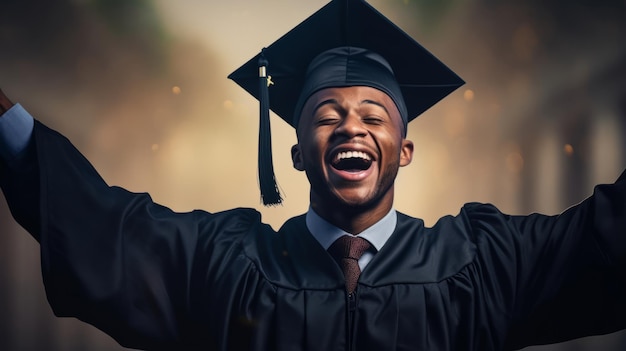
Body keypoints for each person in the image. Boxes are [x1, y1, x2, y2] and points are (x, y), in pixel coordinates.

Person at [1, 0, 625, 350]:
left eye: (374, 115)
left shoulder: (481, 263)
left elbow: (603, 238)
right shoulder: (227, 265)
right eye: (328, 116)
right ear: (297, 152)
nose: (352, 127)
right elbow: (104, 224)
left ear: (403, 149)